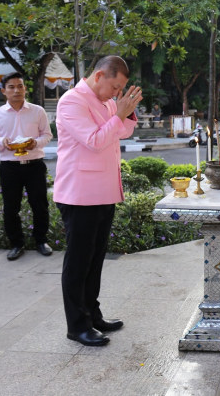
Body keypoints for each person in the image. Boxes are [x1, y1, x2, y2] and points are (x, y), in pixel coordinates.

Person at [53, 55, 141, 347]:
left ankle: (92, 314)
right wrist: (119, 115)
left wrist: (126, 113)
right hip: (80, 193)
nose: (117, 94)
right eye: (116, 87)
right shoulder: (72, 101)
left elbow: (124, 131)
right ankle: (77, 325)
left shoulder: (106, 102)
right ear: (100, 75)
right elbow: (94, 140)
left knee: (95, 259)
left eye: (121, 90)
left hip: (104, 191)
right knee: (78, 262)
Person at [0, 72, 54, 261]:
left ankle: (41, 240)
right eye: (11, 87)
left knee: (40, 205)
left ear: (25, 89)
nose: (17, 90)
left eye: (20, 86)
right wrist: (2, 142)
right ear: (4, 91)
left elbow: (47, 135)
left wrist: (35, 143)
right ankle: (16, 243)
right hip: (9, 167)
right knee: (11, 207)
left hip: (34, 165)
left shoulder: (37, 111)